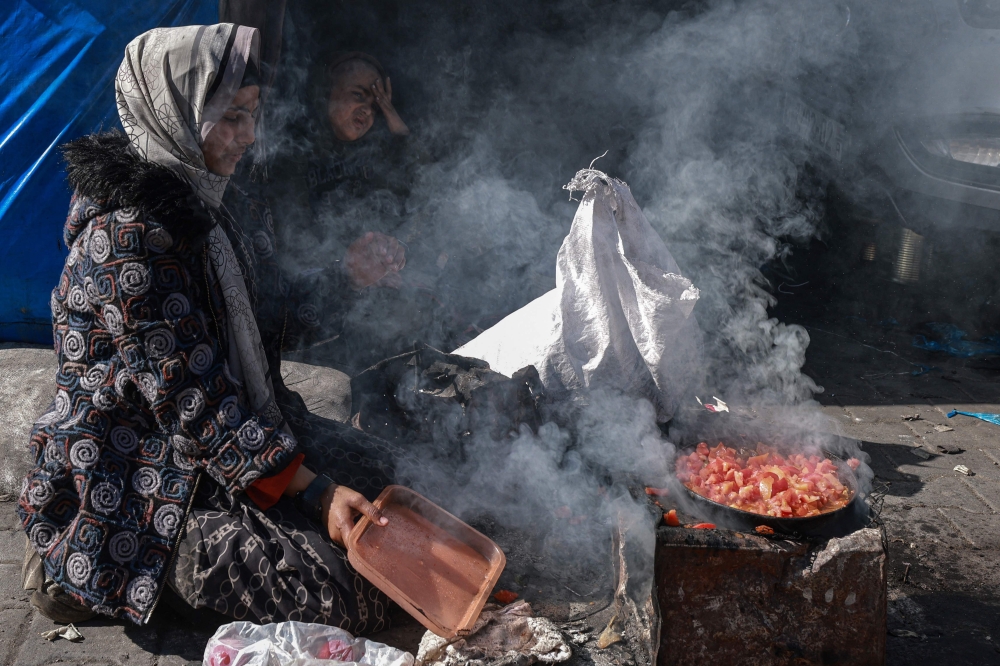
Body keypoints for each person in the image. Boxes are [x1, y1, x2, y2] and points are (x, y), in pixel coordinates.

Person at [18, 23, 408, 631]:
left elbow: (268, 311)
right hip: (150, 479)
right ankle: (90, 571)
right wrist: (316, 492)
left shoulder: (218, 202)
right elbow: (195, 406)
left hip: (236, 435)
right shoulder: (126, 240)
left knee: (392, 487)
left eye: (252, 115)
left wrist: (346, 277)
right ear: (171, 111)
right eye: (229, 117)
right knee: (346, 593)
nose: (247, 137)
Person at [268, 53, 439, 371]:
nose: (367, 110)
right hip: (319, 305)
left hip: (373, 292)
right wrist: (353, 271)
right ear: (325, 93)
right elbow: (295, 246)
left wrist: (392, 252)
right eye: (358, 96)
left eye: (375, 106)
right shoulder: (295, 154)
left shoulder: (373, 154)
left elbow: (426, 187)